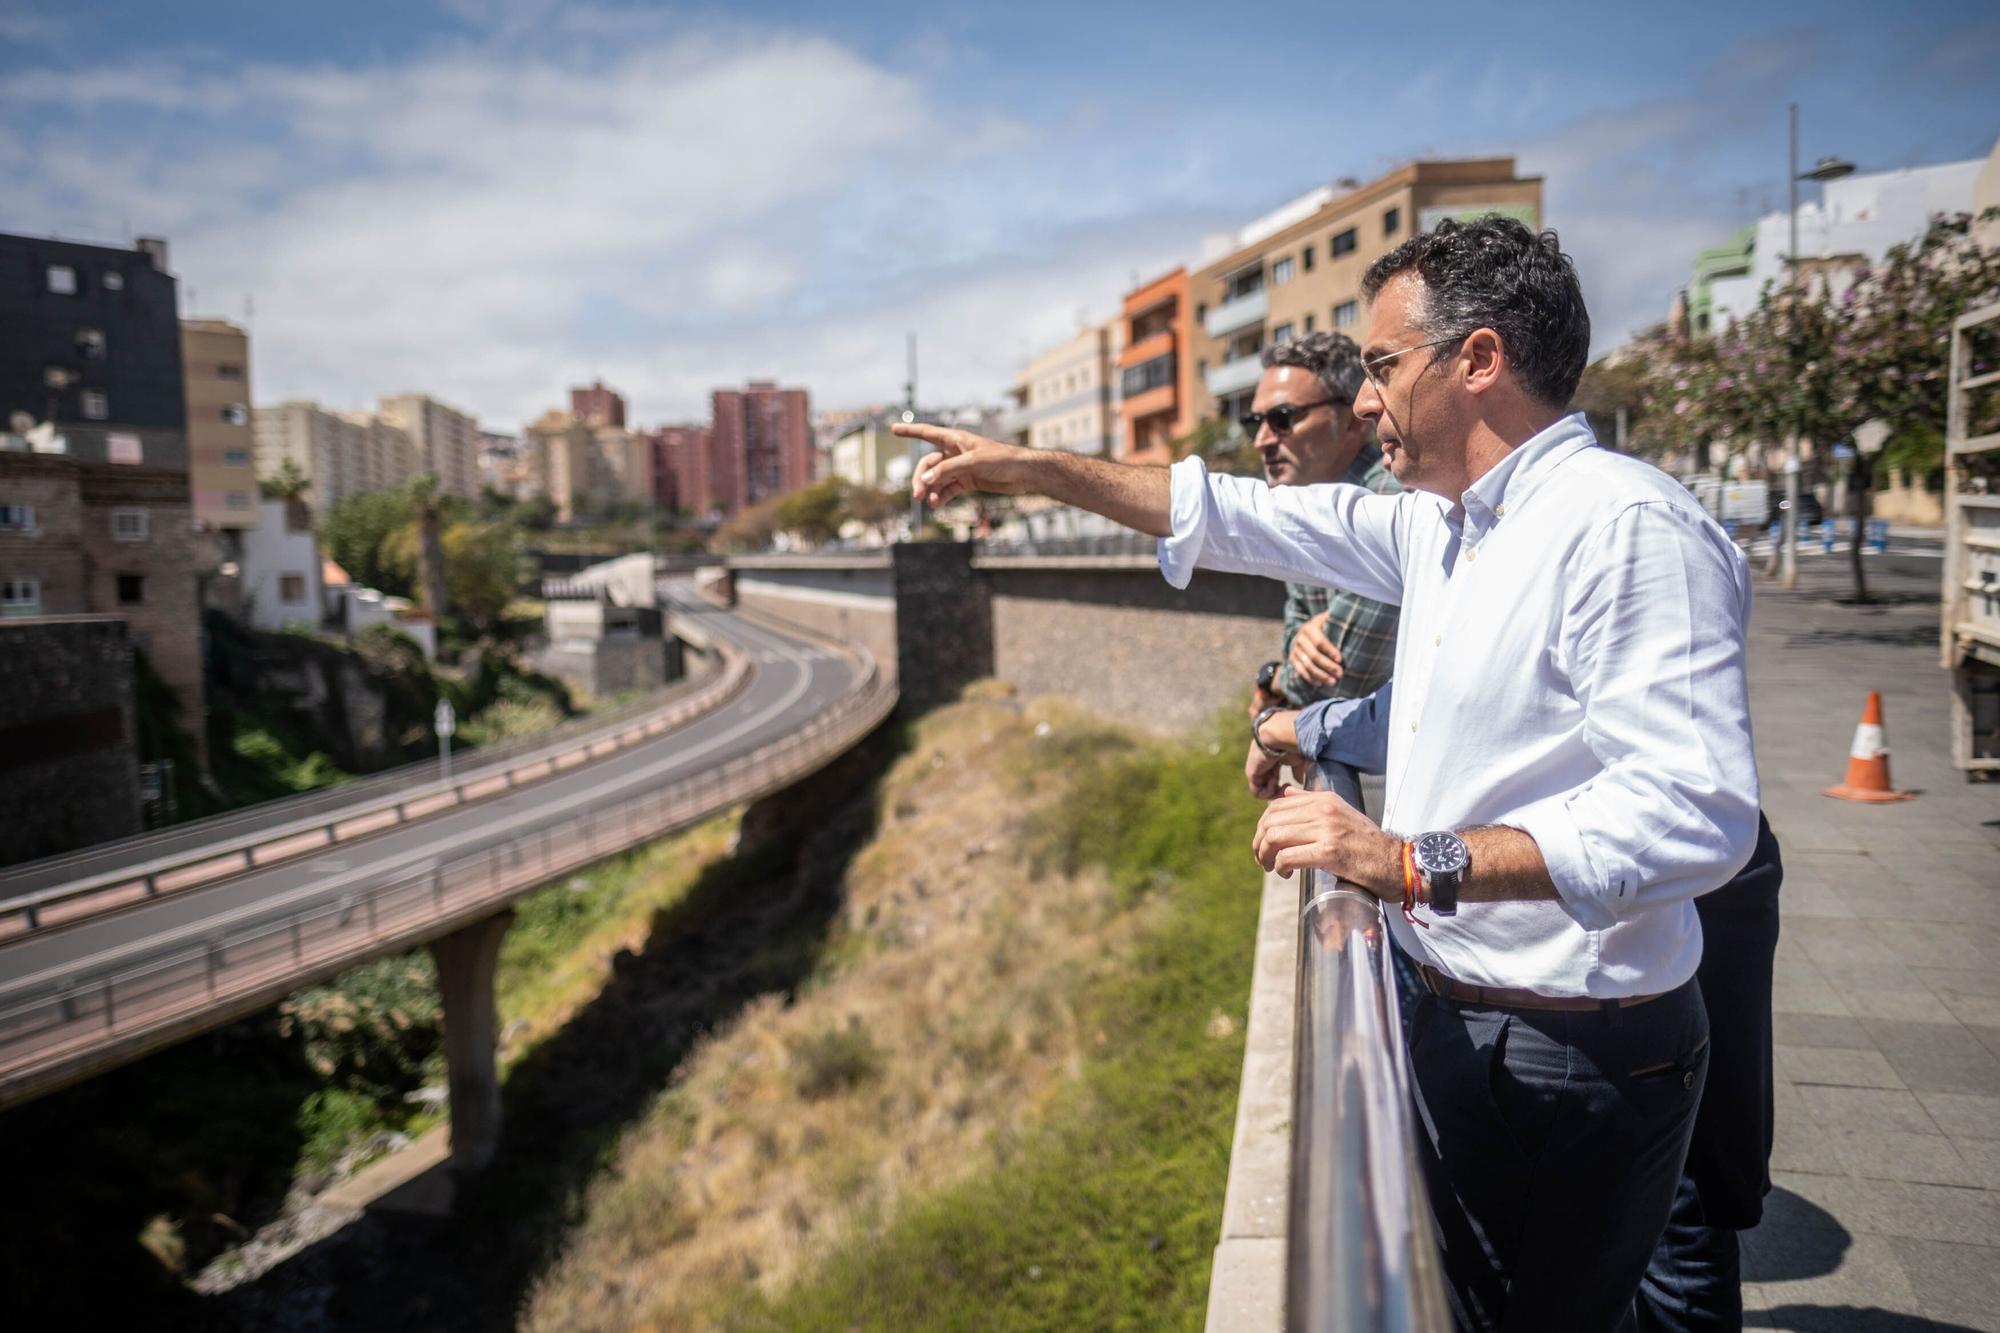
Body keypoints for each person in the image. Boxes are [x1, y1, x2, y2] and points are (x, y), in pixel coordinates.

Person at [895, 216, 1761, 1330]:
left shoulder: (1623, 529)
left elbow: (1694, 815)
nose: (1361, 401)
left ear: (1480, 360)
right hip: (1461, 1015)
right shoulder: (1444, 528)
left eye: (1384, 367)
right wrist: (1032, 469)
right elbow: (1232, 513)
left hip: (1572, 1055)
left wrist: (1404, 861)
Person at [1257, 685, 1783, 1331]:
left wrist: (1408, 861)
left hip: (1582, 1029)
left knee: (1684, 1233)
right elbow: (1419, 704)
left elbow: (1695, 804)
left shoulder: (1623, 584)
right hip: (1523, 1022)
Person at [1238, 334, 1402, 801]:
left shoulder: (1390, 497)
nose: (1262, 439)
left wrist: (1273, 681)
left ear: (1351, 417)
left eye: (1282, 419)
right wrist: (1298, 649)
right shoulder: (1302, 508)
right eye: (1257, 420)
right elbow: (1296, 632)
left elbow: (1344, 672)